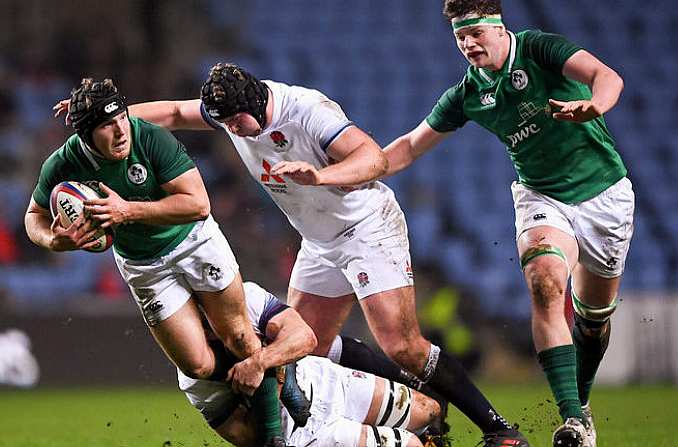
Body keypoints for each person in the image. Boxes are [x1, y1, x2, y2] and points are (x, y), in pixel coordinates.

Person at [60, 62, 530, 446]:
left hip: (367, 227)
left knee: (401, 345)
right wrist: (104, 118)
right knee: (308, 346)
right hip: (321, 241)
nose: (229, 130)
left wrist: (320, 176)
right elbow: (175, 113)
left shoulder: (306, 111)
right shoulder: (232, 112)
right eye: (221, 122)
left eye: (234, 122)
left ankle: (498, 429)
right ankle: (413, 408)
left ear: (257, 103)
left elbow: (375, 159)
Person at [382, 2, 634, 446]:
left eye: (476, 32)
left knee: (594, 321)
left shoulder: (538, 48)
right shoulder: (467, 94)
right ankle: (572, 418)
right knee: (545, 279)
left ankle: (583, 405)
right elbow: (408, 147)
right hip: (542, 197)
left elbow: (607, 76)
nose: (468, 44)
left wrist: (595, 105)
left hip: (606, 196)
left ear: (500, 29)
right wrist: (346, 172)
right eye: (460, 37)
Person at [26, 78, 286, 446]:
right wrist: (55, 239)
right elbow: (32, 218)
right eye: (105, 125)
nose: (120, 131)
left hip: (195, 241)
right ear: (85, 134)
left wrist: (126, 211)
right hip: (144, 264)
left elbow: (198, 205)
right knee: (196, 365)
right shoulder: (64, 164)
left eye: (121, 119)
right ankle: (277, 376)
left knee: (241, 337)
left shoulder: (149, 138)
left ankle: (274, 437)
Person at [181, 280, 440, 447]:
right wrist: (279, 376)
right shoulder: (195, 372)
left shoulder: (246, 297)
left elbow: (305, 338)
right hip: (302, 433)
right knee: (410, 445)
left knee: (429, 410)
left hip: (323, 380)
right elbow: (239, 433)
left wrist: (260, 364)